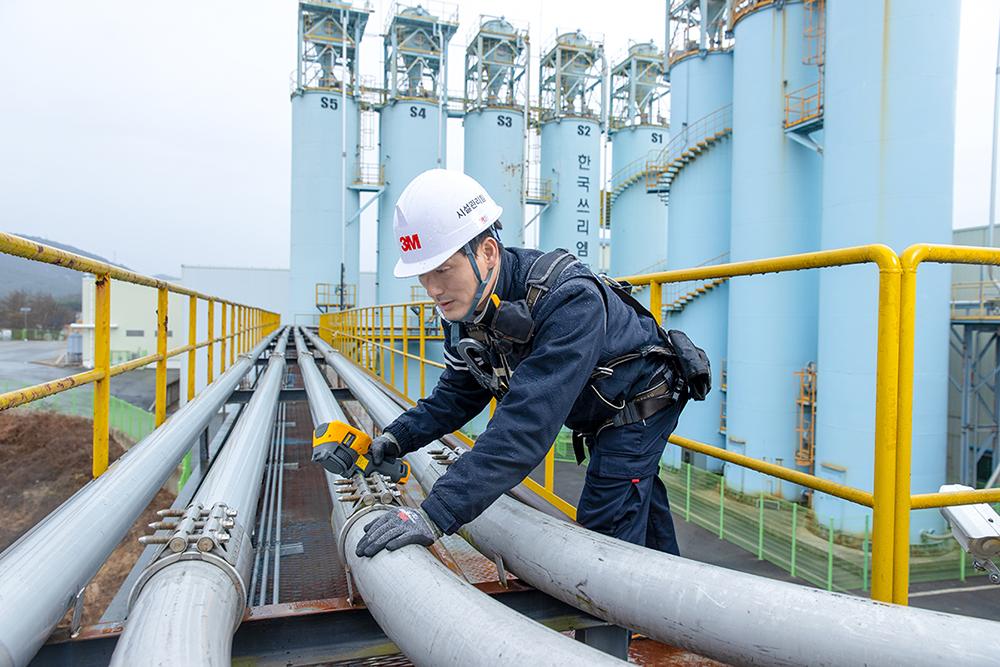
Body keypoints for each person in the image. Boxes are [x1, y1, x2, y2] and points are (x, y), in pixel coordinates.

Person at [353, 168, 709, 560]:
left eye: (443, 269)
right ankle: (673, 609)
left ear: (487, 252)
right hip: (597, 402)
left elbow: (526, 425)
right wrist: (396, 438)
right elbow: (457, 393)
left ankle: (615, 617)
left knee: (606, 532)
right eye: (423, 275)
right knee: (636, 494)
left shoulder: (568, 300)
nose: (434, 289)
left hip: (638, 401)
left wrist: (435, 514)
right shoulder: (463, 307)